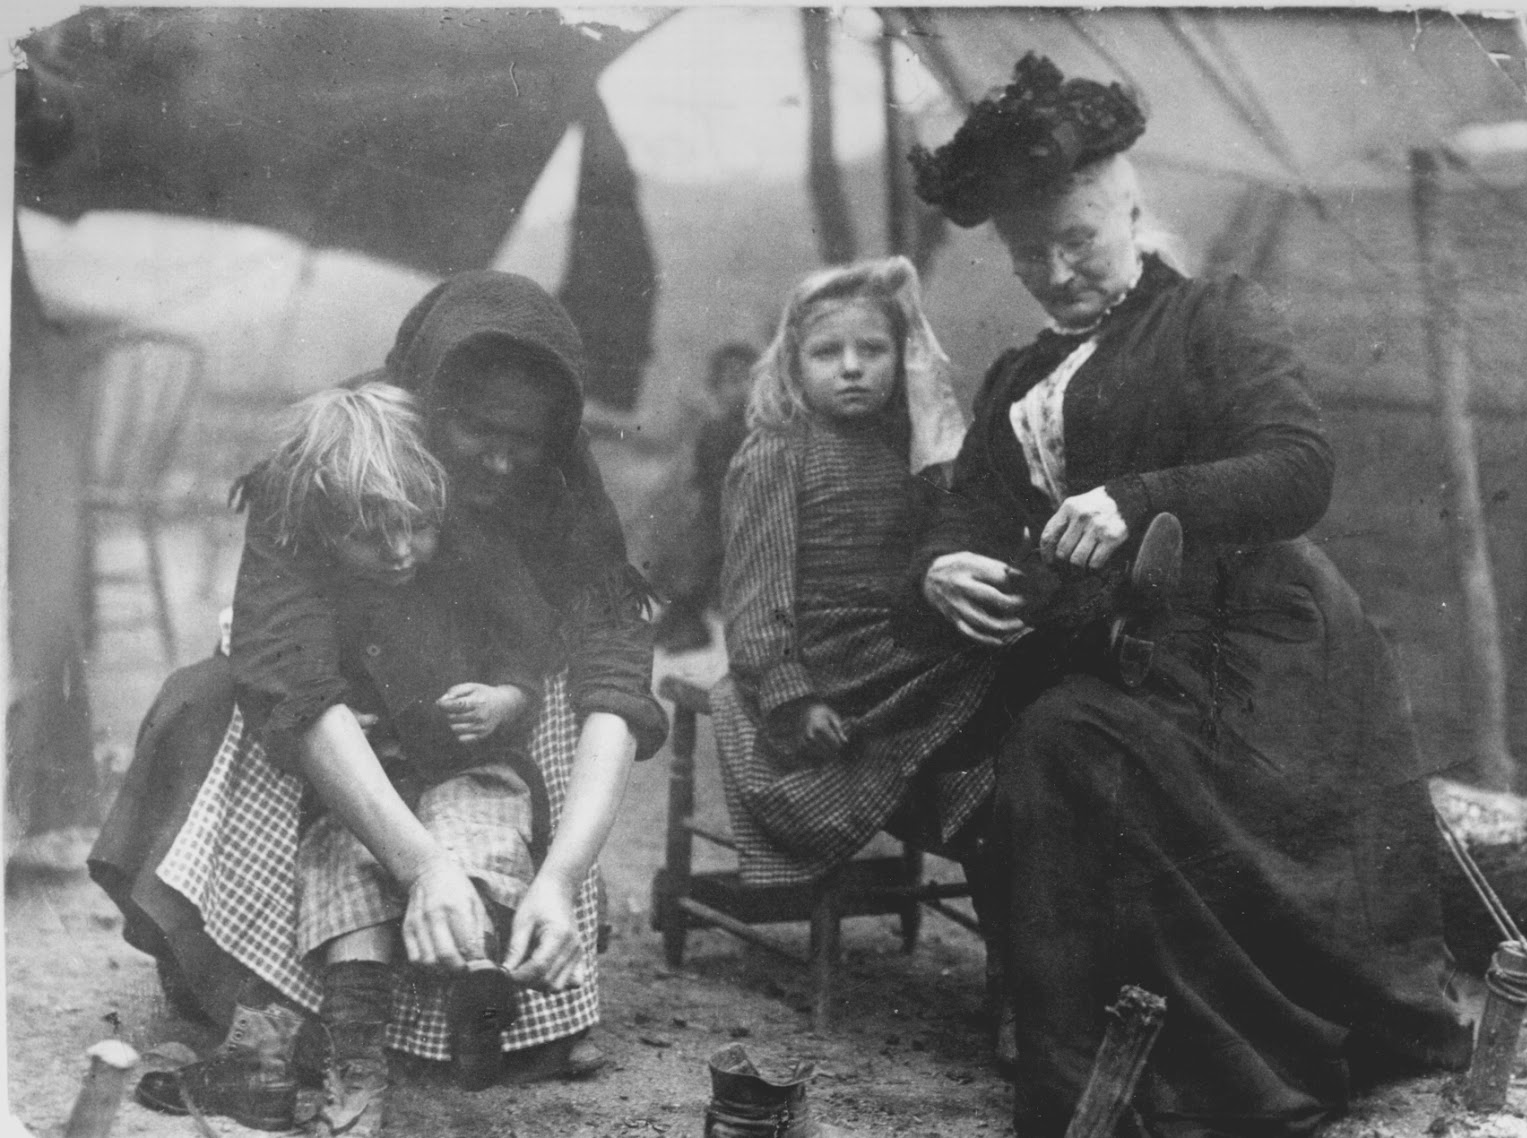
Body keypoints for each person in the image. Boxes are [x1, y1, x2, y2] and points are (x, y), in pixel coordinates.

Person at [906, 55, 1472, 1138]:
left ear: (1131, 209)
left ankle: (1179, 1081)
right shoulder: (1020, 379)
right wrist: (939, 565)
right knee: (1030, 729)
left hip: (1249, 666)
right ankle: (1092, 1036)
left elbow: (1299, 471)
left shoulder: (1215, 320)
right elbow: (965, 511)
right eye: (1031, 253)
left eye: (1078, 239)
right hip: (1114, 656)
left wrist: (1138, 498)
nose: (1057, 270)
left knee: (1063, 742)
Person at [103, 271, 666, 1135]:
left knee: (530, 741)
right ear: (424, 399)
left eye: (527, 437)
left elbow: (613, 672)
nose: (502, 457)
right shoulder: (337, 455)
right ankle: (296, 998)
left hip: (469, 724)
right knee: (217, 703)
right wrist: (421, 865)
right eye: (476, 428)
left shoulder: (557, 488)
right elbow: (289, 668)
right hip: (348, 723)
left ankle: (519, 978)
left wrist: (564, 873)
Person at [710, 257, 1008, 1030]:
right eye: (826, 354)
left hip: (903, 645)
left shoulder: (907, 446)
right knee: (981, 696)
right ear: (793, 362)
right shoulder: (778, 450)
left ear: (899, 357)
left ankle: (1020, 952)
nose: (850, 369)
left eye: (871, 351)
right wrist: (789, 693)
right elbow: (756, 594)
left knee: (1005, 708)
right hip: (832, 660)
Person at [652, 341, 761, 653]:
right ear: (716, 387)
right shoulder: (715, 426)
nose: (741, 389)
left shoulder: (753, 431)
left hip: (737, 513)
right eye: (731, 381)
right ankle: (678, 620)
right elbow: (702, 472)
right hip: (711, 510)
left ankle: (688, 624)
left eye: (748, 381)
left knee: (704, 566)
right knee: (687, 559)